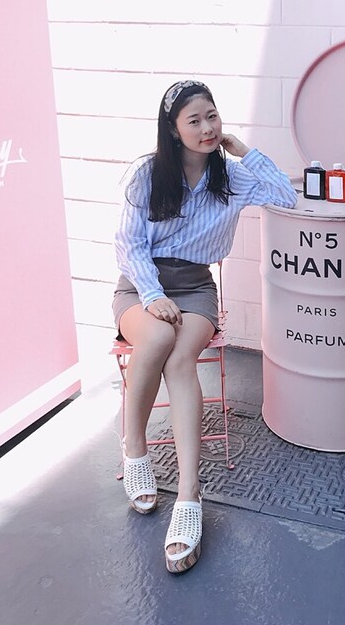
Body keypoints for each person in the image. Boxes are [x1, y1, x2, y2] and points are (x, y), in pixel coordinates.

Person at [112, 80, 297, 573]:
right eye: (193, 121)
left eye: (211, 116)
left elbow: (288, 197)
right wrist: (152, 296)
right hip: (140, 285)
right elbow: (129, 246)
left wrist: (245, 151)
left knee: (180, 357)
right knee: (157, 337)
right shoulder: (147, 174)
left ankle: (189, 495)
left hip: (195, 288)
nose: (207, 128)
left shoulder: (232, 176)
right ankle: (135, 450)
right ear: (173, 130)